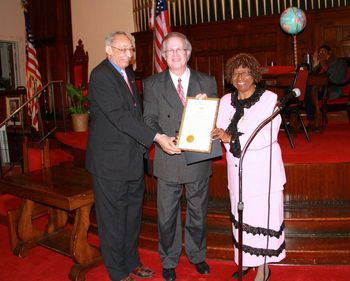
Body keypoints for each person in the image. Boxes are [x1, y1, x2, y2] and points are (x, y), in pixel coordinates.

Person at [86, 31, 180, 281]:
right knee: (112, 220)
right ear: (108, 50)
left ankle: (131, 261)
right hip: (109, 162)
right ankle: (117, 271)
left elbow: (136, 115)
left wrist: (156, 133)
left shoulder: (126, 73)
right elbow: (120, 117)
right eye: (122, 49)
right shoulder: (101, 76)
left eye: (130, 49)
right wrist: (156, 137)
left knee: (131, 217)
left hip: (131, 159)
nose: (128, 54)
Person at [143, 32, 217, 281]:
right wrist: (161, 138)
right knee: (167, 214)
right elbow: (149, 119)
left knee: (198, 210)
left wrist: (208, 111)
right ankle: (169, 259)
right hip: (168, 155)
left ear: (188, 52)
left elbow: (216, 118)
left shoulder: (207, 81)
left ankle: (197, 255)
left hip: (197, 156)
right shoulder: (152, 84)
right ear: (163, 56)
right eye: (169, 51)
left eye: (180, 50)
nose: (175, 54)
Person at [211, 53, 286, 281]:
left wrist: (228, 136)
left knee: (262, 218)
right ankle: (244, 260)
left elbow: (266, 136)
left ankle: (263, 265)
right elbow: (216, 129)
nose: (239, 77)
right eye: (234, 73)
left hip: (263, 172)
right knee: (241, 217)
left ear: (255, 74)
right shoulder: (225, 101)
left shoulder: (270, 100)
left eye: (244, 71)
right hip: (237, 171)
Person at [304, 45, 348, 129]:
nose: (321, 54)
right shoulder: (319, 64)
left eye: (323, 51)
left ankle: (317, 116)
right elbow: (311, 79)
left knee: (313, 89)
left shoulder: (340, 63)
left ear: (330, 53)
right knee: (308, 89)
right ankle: (311, 120)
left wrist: (324, 65)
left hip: (332, 90)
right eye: (319, 52)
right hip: (317, 90)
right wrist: (315, 66)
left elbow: (336, 79)